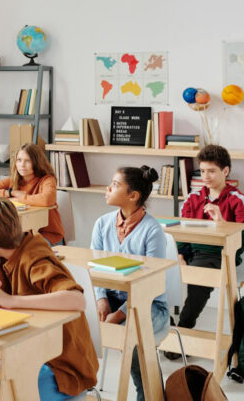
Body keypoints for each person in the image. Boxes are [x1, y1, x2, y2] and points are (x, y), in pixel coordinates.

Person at [0, 198, 98, 400]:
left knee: (2, 394)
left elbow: (76, 300)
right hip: (23, 354)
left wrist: (10, 300)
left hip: (61, 367)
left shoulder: (35, 259)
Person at [90, 165, 167, 401]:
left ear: (132, 196)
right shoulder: (102, 224)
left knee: (131, 338)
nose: (107, 188)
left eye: (114, 184)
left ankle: (149, 397)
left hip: (149, 305)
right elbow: (93, 268)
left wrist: (120, 315)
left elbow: (150, 287)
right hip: (112, 300)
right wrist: (102, 299)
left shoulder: (152, 231)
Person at [165, 144, 244, 359]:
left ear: (225, 171)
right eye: (203, 171)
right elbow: (179, 231)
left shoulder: (238, 199)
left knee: (199, 274)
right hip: (191, 251)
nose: (205, 176)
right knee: (155, 267)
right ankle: (164, 325)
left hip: (219, 254)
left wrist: (222, 223)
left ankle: (183, 329)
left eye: (211, 171)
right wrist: (179, 254)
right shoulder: (193, 198)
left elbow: (241, 241)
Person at [0, 143, 65, 246]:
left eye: (27, 161)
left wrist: (20, 198)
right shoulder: (13, 180)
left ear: (36, 163)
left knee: (26, 250)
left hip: (47, 235)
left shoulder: (47, 180)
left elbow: (47, 200)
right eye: (19, 160)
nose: (22, 165)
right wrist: (10, 192)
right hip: (20, 235)